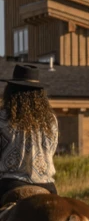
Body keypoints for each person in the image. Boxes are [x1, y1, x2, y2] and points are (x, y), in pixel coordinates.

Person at [0, 64, 58, 201]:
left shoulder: (2, 118)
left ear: (11, 91)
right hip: (46, 184)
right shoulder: (50, 121)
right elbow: (51, 151)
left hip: (11, 183)